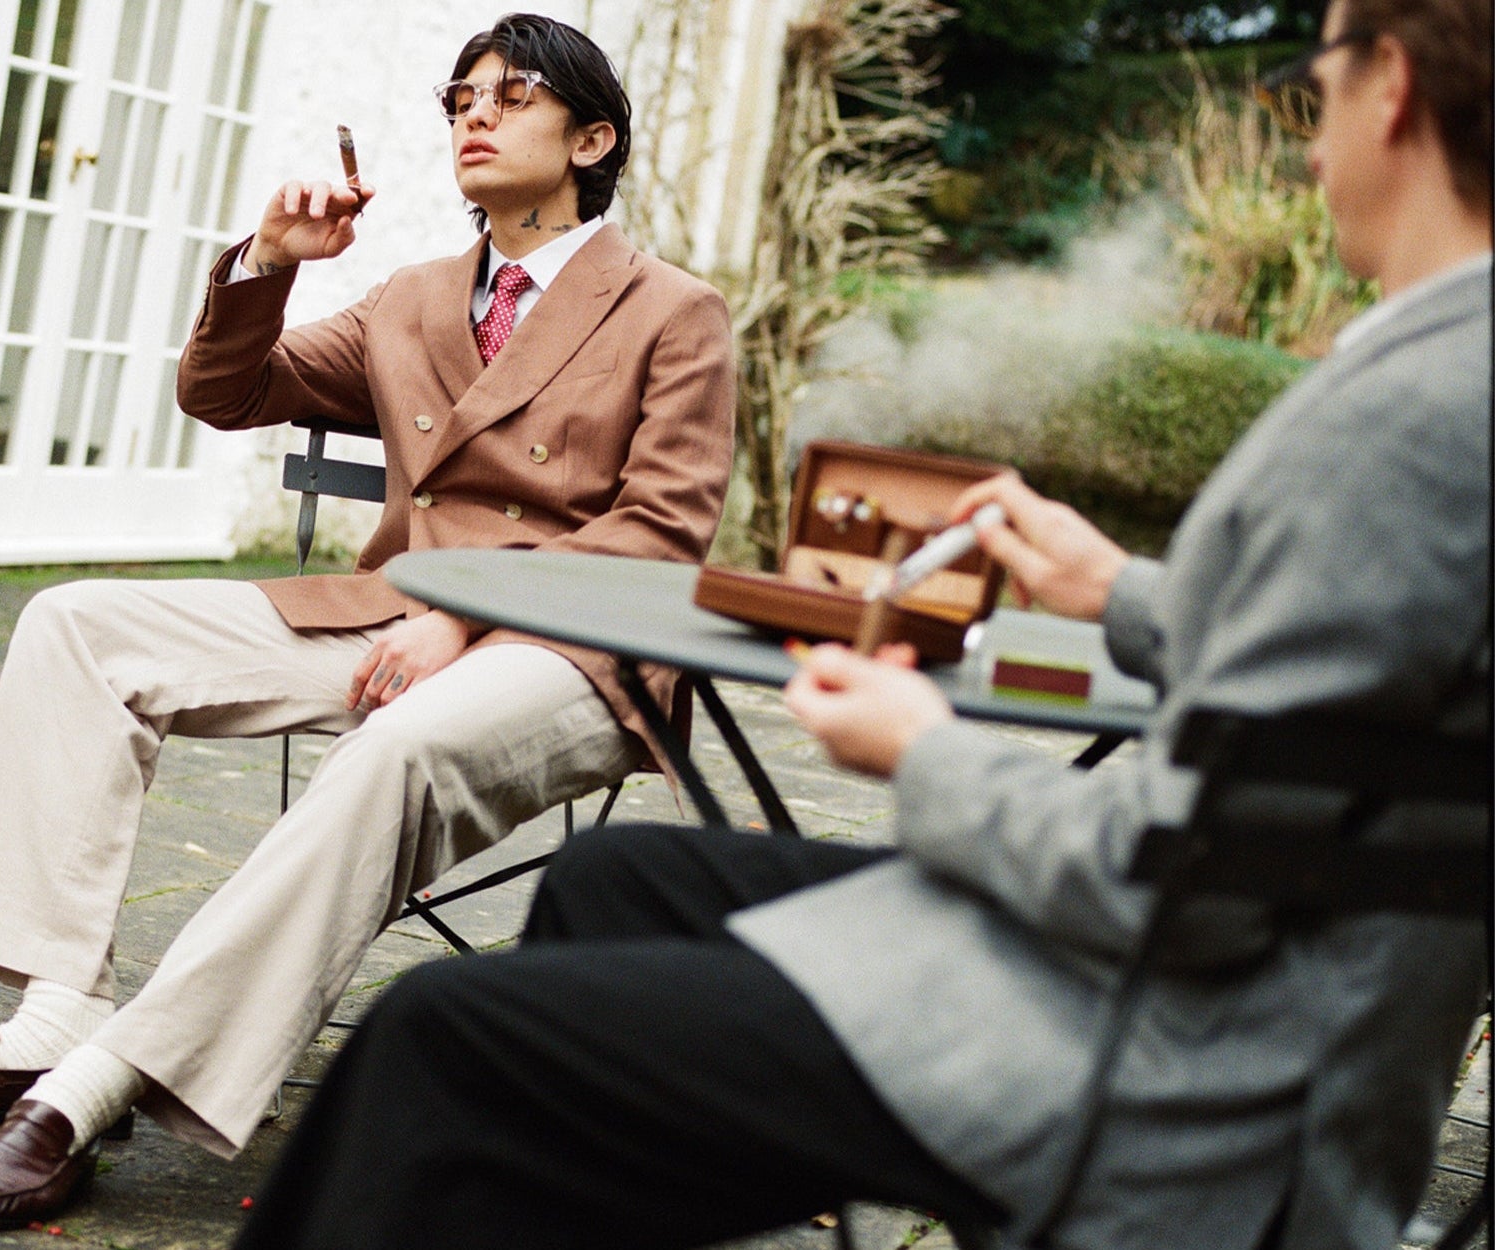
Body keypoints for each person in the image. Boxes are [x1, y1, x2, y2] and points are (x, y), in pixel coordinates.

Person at [231, 0, 1491, 1244]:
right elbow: (1355, 689)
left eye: (1318, 72)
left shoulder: (1411, 418)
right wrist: (1118, 590)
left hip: (1193, 1066)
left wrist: (922, 749)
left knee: (436, 1033)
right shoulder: (1447, 372)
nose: (1306, 130)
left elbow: (1185, 875)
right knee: (616, 875)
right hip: (1242, 981)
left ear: (1388, 84)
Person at [0, 13, 736, 1228]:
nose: (475, 113)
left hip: (574, 650)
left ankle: (88, 1092)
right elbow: (229, 391)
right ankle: (54, 1015)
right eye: (460, 95)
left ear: (593, 139)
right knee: (76, 624)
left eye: (513, 92)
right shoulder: (413, 299)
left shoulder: (672, 310)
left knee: (397, 748)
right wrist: (270, 261)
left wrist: (467, 615)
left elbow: (663, 534)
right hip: (391, 621)